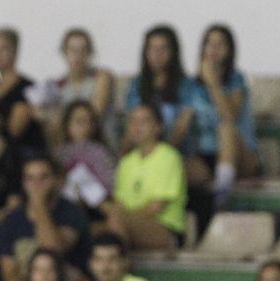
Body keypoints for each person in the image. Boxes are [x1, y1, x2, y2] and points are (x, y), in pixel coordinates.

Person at [101, 103, 188, 252]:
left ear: (158, 127)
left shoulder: (168, 156)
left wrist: (123, 218)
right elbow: (120, 203)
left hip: (165, 228)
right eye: (132, 121)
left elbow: (156, 206)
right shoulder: (126, 162)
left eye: (143, 121)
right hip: (129, 223)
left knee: (116, 220)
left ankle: (118, 270)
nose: (136, 127)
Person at [190, 24, 260, 201]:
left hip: (239, 155)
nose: (214, 48)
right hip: (205, 156)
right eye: (210, 43)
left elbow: (229, 116)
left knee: (226, 129)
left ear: (229, 50)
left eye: (220, 44)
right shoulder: (191, 86)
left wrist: (213, 84)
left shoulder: (237, 80)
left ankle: (221, 200)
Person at [124, 25, 204, 174]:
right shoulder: (136, 85)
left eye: (163, 49)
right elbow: (132, 126)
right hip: (141, 153)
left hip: (178, 154)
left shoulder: (188, 86)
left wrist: (159, 157)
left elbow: (181, 129)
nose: (157, 55)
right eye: (152, 49)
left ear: (174, 52)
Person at [0, 26, 44, 154]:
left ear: (15, 51)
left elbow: (14, 132)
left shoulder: (28, 88)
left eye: (2, 49)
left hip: (20, 153)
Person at [56, 99, 116, 216]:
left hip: (95, 209)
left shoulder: (101, 152)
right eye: (79, 122)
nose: (85, 126)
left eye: (89, 122)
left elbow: (109, 187)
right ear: (67, 125)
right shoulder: (59, 153)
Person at [50, 28, 115, 133]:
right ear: (65, 53)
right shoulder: (58, 86)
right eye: (73, 50)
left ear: (90, 53)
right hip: (69, 145)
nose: (78, 56)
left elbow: (92, 118)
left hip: (99, 144)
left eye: (83, 50)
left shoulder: (102, 77)